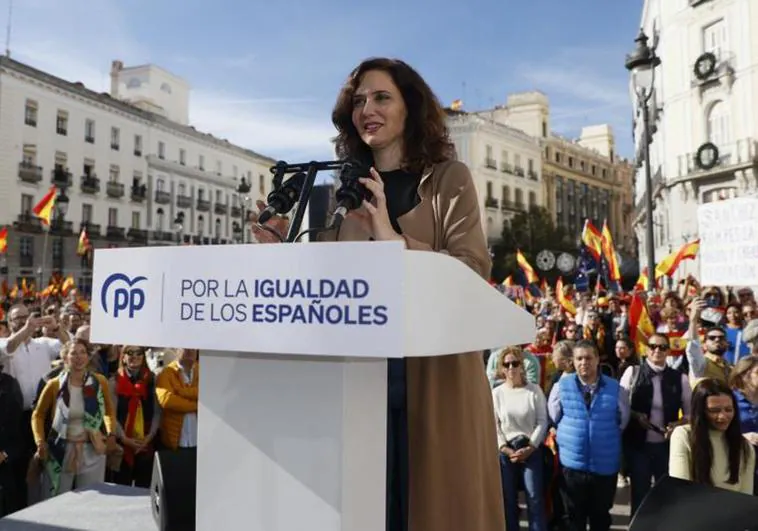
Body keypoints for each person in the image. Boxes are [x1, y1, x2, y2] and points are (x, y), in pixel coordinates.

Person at [251, 57, 503, 531]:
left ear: (411, 106)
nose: (367, 108)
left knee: (433, 510)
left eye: (382, 97)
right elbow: (329, 279)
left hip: (435, 383)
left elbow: (471, 271)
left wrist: (393, 240)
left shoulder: (450, 178)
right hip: (358, 386)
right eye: (359, 100)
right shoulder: (343, 191)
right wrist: (286, 244)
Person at [669, 378, 755, 494]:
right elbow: (680, 488)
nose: (722, 416)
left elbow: (746, 496)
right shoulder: (683, 435)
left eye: (728, 410)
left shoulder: (745, 447)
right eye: (714, 410)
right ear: (700, 411)